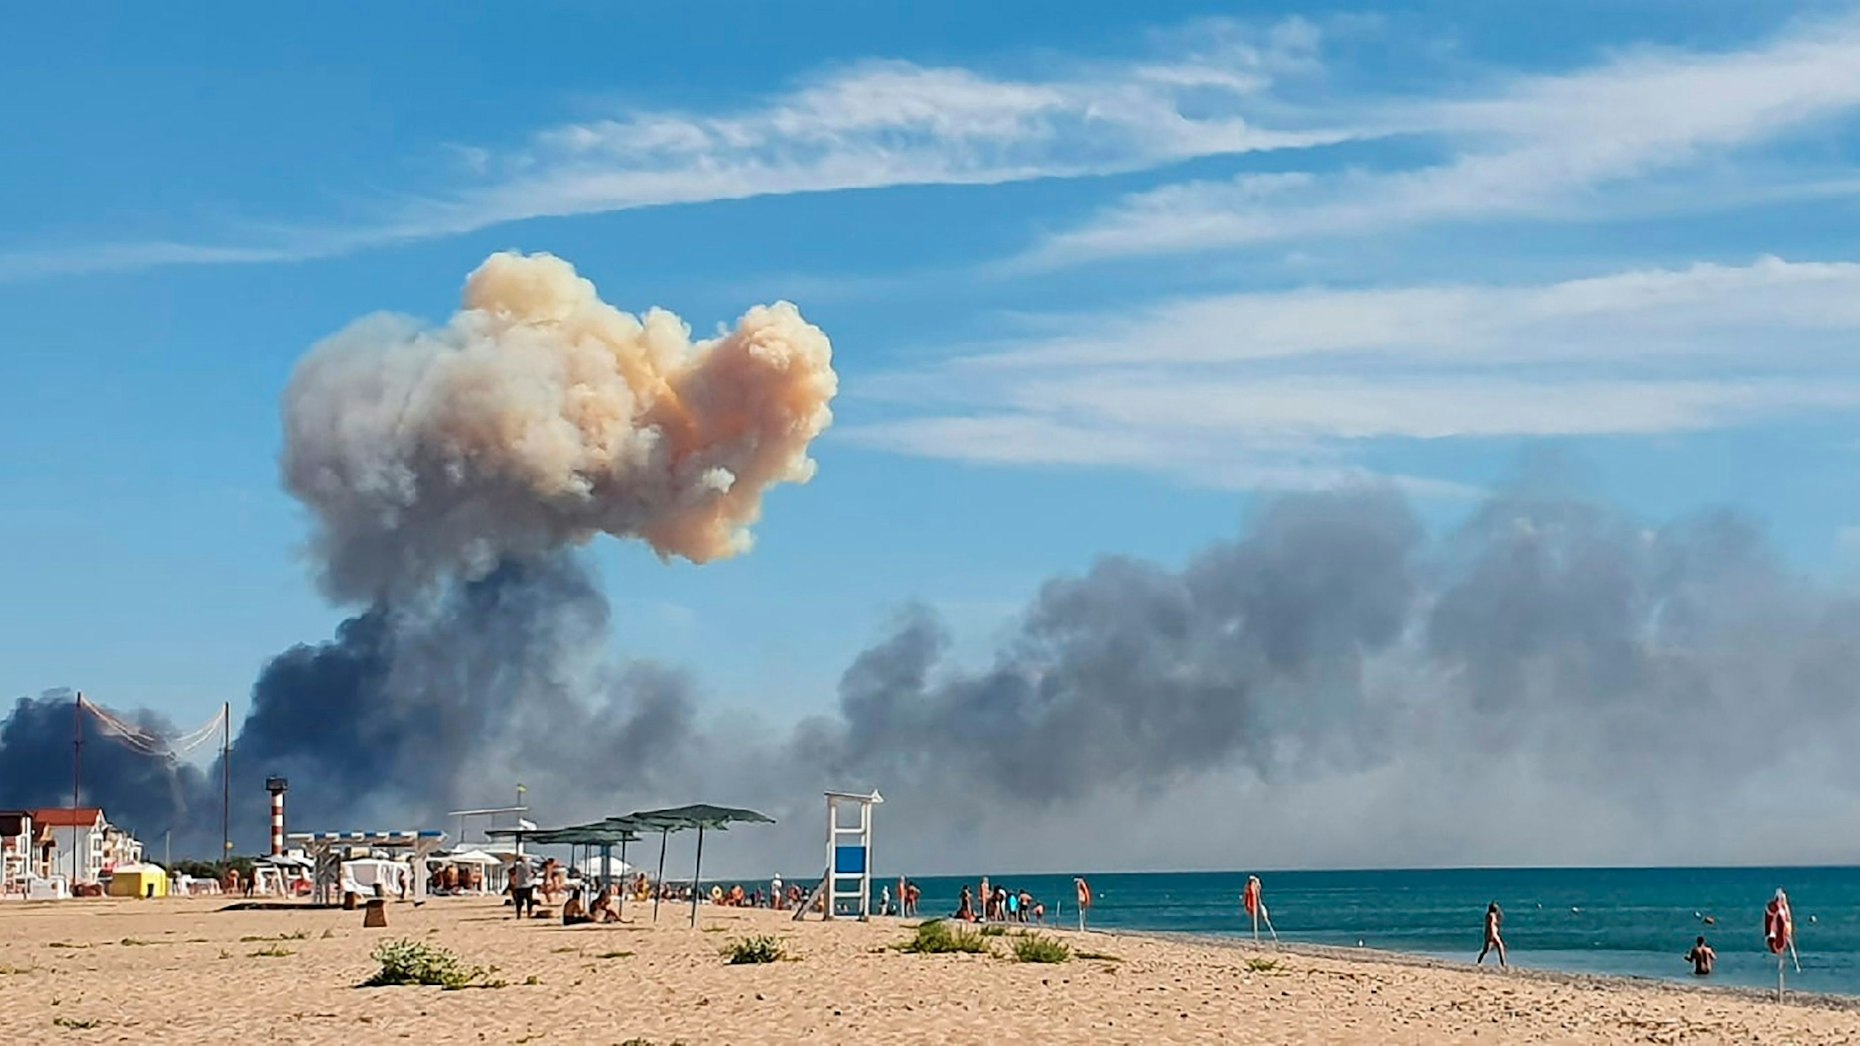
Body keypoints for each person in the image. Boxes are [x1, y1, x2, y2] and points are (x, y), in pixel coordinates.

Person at [1477, 901, 1508, 969]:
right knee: (1499, 946)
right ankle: (1503, 964)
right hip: (1492, 934)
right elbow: (1491, 925)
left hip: (1490, 934)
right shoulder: (1491, 916)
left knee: (1486, 949)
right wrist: (1493, 935)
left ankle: (1479, 962)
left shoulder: (1489, 915)